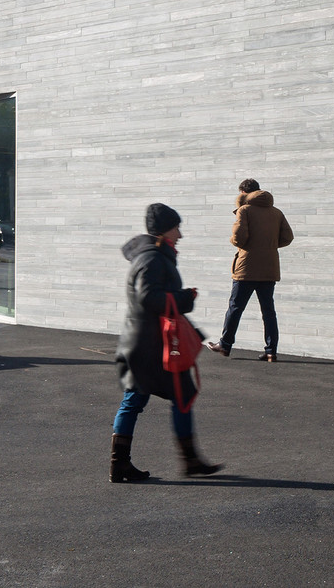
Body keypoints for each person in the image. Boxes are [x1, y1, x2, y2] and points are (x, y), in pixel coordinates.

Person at [112, 202, 224, 483]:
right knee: (139, 399)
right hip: (149, 346)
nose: (180, 235)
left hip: (150, 342)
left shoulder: (154, 255)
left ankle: (187, 460)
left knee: (173, 395)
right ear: (164, 230)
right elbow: (148, 297)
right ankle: (124, 465)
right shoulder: (152, 259)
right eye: (177, 228)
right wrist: (183, 299)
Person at [209, 178, 294, 361]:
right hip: (269, 268)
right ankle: (271, 351)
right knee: (268, 311)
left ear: (243, 193)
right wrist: (268, 246)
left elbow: (239, 238)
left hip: (246, 268)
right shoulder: (276, 212)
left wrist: (233, 240)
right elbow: (287, 237)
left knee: (235, 307)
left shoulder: (245, 210)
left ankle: (225, 345)